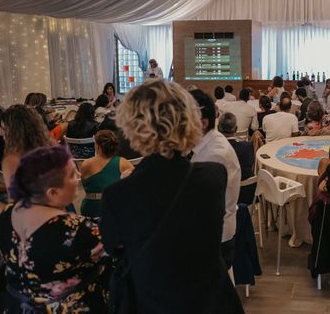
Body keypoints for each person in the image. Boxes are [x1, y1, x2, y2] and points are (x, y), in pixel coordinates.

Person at [100, 80, 243, 313]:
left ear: (133, 128)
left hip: (153, 301)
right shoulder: (213, 176)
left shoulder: (117, 195)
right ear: (189, 121)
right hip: (210, 301)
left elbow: (116, 246)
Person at [0, 145, 108, 312]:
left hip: (15, 307)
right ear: (53, 192)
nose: (79, 175)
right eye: (72, 174)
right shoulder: (75, 230)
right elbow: (120, 246)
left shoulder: (7, 214)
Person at [190, 89, 241, 269]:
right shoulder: (203, 144)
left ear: (203, 123)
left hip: (215, 239)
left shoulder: (214, 156)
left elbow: (198, 206)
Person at [0, 105, 53, 213]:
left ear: (12, 131)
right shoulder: (52, 149)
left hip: (35, 220)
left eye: (3, 128)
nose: (0, 133)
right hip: (61, 213)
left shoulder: (13, 160)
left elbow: (15, 210)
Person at [80, 130, 133, 217]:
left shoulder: (86, 164)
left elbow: (86, 185)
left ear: (98, 146)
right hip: (113, 210)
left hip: (90, 211)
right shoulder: (122, 162)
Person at [218, 113, 255, 205]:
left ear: (218, 128)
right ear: (236, 129)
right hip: (246, 194)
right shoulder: (247, 147)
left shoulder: (214, 150)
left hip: (223, 196)